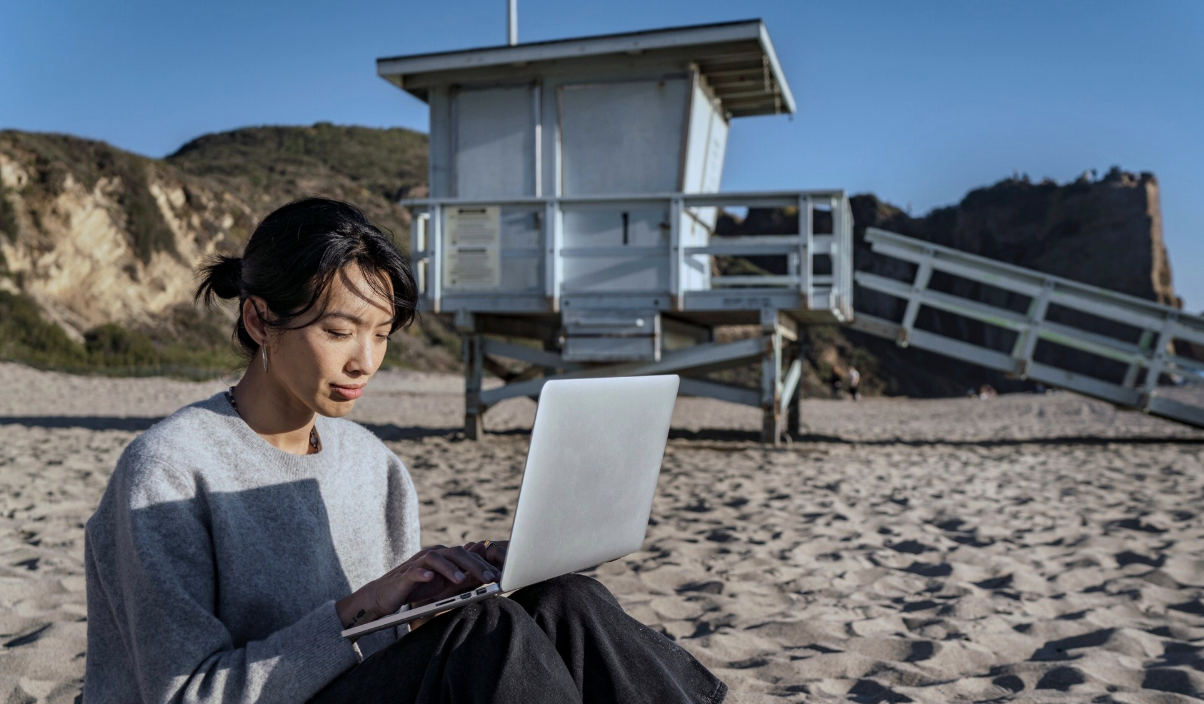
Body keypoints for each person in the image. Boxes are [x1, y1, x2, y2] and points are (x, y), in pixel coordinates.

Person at [83, 198, 727, 704]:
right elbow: (184, 694)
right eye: (338, 331)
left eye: (382, 334)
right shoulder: (170, 469)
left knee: (563, 599)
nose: (364, 361)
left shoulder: (373, 465)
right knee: (486, 639)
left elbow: (387, 652)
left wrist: (429, 601)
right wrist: (363, 607)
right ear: (258, 321)